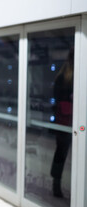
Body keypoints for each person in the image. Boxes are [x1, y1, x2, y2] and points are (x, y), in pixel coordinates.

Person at [50, 49, 74, 198]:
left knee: (61, 151)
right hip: (67, 120)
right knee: (63, 152)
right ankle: (57, 184)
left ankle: (56, 183)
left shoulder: (61, 76)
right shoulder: (70, 77)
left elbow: (56, 98)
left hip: (62, 119)